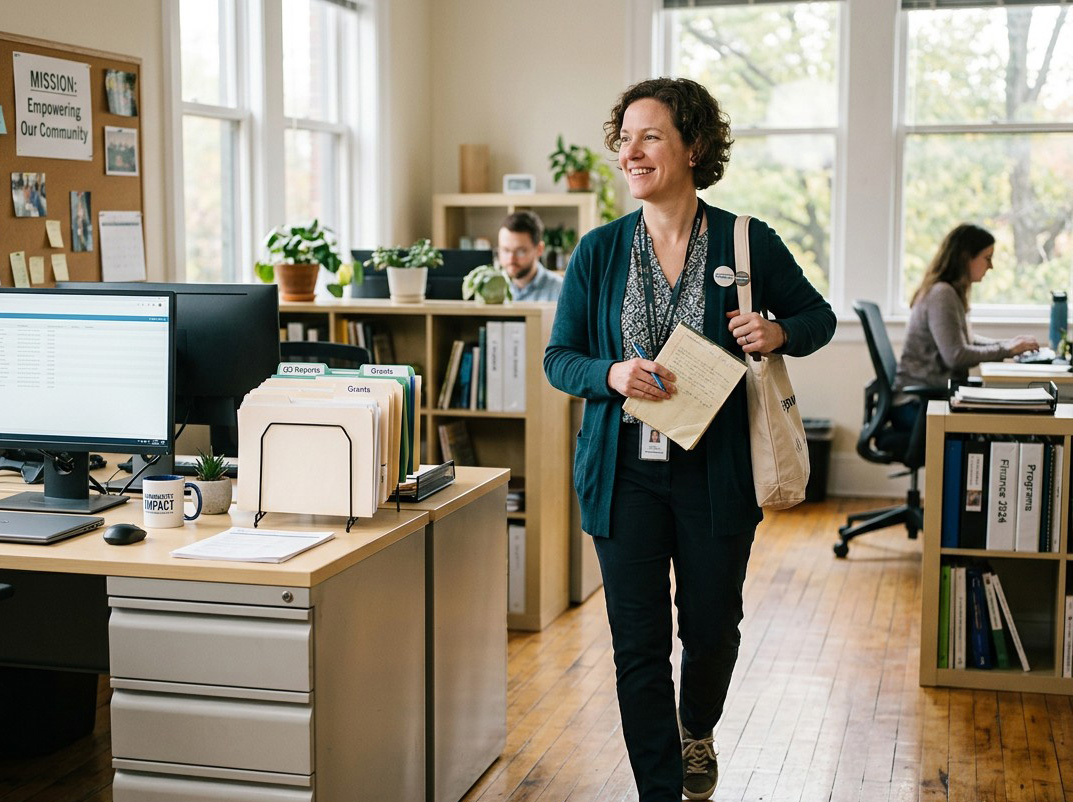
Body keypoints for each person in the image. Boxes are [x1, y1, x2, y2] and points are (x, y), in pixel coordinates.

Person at [543, 77, 835, 801]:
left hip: (716, 476)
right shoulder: (599, 251)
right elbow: (559, 358)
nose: (630, 152)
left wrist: (776, 332)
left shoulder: (745, 240)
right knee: (637, 646)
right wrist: (610, 374)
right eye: (624, 138)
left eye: (650, 137)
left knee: (711, 630)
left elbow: (818, 317)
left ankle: (695, 727)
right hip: (623, 475)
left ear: (693, 146)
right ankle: (659, 785)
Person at [891, 224, 1039, 431]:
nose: (991, 266)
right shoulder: (942, 294)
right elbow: (956, 355)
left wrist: (1010, 345)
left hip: (928, 400)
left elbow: (963, 341)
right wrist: (1008, 349)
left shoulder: (947, 291)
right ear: (966, 257)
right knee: (1009, 424)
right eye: (987, 258)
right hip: (917, 406)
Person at [498, 210, 563, 302]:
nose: (511, 259)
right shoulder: (485, 289)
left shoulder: (560, 291)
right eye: (506, 250)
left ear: (539, 249)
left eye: (520, 251)